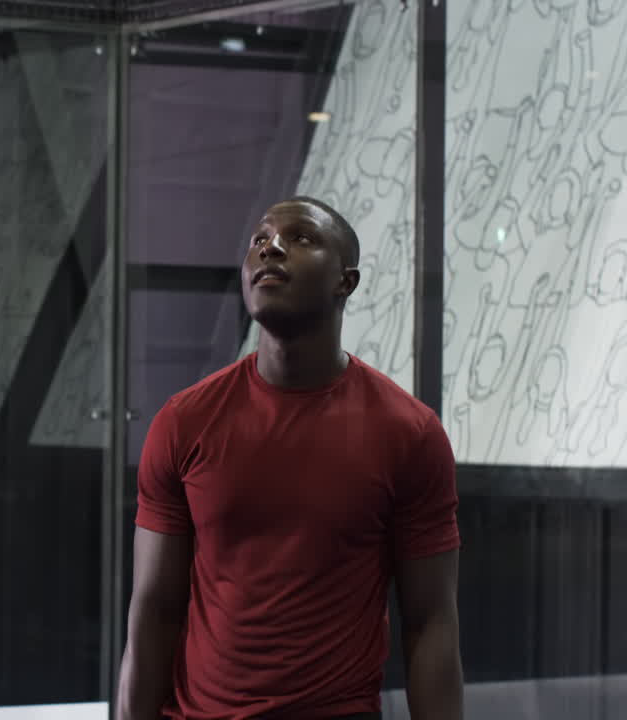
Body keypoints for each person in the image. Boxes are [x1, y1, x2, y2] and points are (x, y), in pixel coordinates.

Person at [118, 197, 463, 720]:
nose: (271, 248)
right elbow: (154, 610)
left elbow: (431, 622)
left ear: (346, 281)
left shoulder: (409, 434)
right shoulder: (185, 422)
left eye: (300, 238)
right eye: (260, 239)